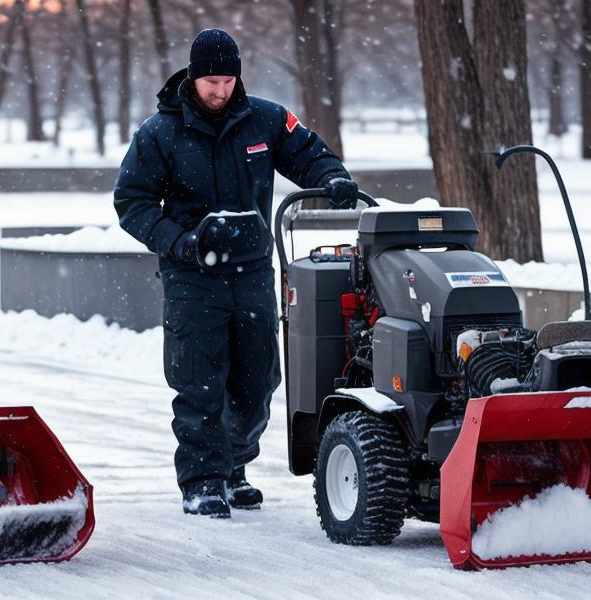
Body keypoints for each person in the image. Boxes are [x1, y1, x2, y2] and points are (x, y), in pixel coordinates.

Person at [114, 29, 359, 518]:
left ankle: (233, 468)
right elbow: (132, 202)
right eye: (211, 81)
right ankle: (203, 480)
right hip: (192, 276)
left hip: (251, 274)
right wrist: (177, 241)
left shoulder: (263, 120)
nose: (220, 91)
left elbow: (308, 153)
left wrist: (332, 177)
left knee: (257, 380)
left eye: (227, 80)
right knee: (199, 382)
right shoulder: (160, 133)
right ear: (193, 76)